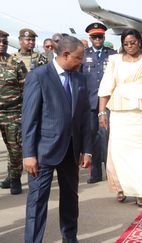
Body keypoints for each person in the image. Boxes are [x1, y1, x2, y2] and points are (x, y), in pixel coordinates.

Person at [22, 36, 92, 243]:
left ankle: (70, 237)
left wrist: (87, 149)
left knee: (70, 198)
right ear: (65, 55)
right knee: (37, 201)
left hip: (71, 151)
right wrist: (29, 154)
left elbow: (84, 116)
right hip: (43, 151)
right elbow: (29, 118)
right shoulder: (39, 76)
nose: (81, 62)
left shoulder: (79, 78)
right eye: (78, 58)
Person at [98, 28, 142, 207]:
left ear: (139, 41)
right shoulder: (115, 60)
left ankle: (140, 191)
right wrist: (101, 112)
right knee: (118, 151)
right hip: (120, 112)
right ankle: (121, 187)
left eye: (133, 42)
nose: (130, 46)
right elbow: (106, 86)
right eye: (126, 44)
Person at [81, 22, 117, 184]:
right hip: (89, 103)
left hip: (109, 102)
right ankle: (95, 173)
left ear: (104, 37)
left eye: (100, 36)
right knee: (92, 136)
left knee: (108, 137)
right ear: (90, 38)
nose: (97, 39)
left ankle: (111, 171)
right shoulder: (83, 55)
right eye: (94, 37)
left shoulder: (113, 55)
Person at [0, 30, 28, 194]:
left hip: (12, 112)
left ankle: (14, 178)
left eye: (4, 42)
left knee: (15, 148)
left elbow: (26, 89)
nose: (2, 45)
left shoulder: (15, 63)